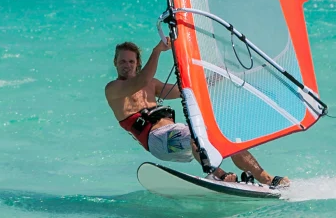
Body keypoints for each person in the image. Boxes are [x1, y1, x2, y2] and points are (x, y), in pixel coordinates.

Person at [106, 40, 288, 187]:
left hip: (180, 139)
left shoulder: (151, 84)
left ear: (137, 63)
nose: (127, 65)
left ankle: (265, 177)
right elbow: (141, 79)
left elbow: (182, 90)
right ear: (115, 62)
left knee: (223, 136)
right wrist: (157, 51)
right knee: (196, 136)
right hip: (157, 142)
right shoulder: (113, 89)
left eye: (131, 61)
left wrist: (216, 77)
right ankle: (219, 175)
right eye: (122, 61)